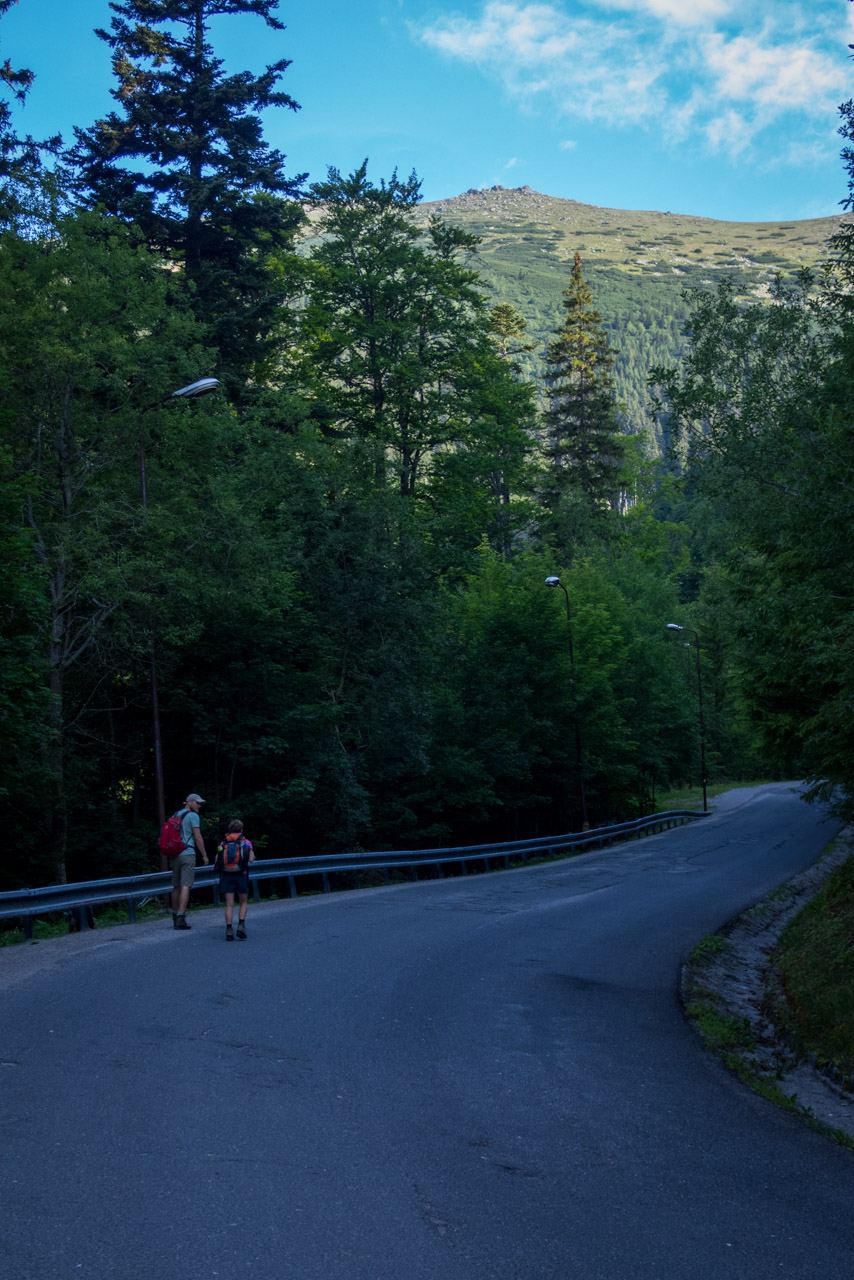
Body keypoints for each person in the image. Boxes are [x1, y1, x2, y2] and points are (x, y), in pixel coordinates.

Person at [171, 793, 209, 930]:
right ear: (190, 802)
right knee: (186, 885)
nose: (199, 805)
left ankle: (175, 915)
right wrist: (204, 855)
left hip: (175, 854)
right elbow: (197, 837)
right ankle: (181, 918)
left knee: (175, 886)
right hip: (187, 853)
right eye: (197, 803)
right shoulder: (193, 816)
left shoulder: (175, 815)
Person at [216, 819, 255, 941]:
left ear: (230, 829)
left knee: (229, 904)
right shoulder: (246, 842)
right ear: (241, 829)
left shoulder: (223, 843)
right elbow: (251, 859)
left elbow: (218, 859)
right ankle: (241, 926)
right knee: (243, 902)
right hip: (241, 874)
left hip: (227, 875)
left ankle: (229, 929)